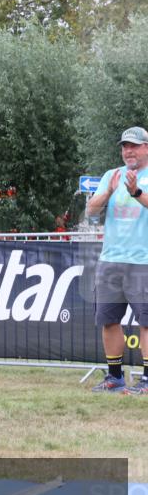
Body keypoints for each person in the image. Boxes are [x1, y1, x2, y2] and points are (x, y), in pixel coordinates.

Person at [85, 126, 148, 396]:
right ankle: (114, 377)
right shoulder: (111, 175)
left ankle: (146, 381)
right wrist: (108, 192)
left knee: (146, 323)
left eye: (134, 146)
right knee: (109, 320)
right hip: (110, 260)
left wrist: (136, 192)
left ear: (146, 148)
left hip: (143, 262)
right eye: (124, 146)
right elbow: (91, 211)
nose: (128, 151)